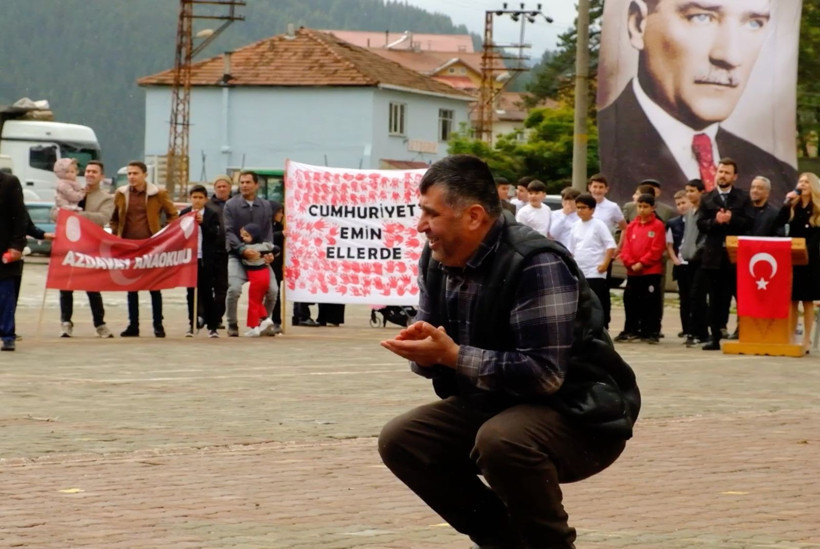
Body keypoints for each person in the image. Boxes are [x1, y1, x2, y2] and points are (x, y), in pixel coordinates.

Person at [378, 154, 639, 549]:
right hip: (498, 403)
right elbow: (438, 356)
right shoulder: (437, 257)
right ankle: (505, 541)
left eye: (430, 214)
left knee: (502, 440)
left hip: (582, 413)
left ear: (473, 216)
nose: (420, 226)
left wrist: (452, 356)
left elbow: (545, 375)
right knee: (404, 440)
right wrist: (423, 351)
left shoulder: (535, 262)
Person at [598, 0, 797, 202]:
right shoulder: (607, 147)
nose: (730, 56)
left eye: (754, 23)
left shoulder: (769, 167)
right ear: (638, 24)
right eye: (701, 18)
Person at [110, 161, 178, 338]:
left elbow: (173, 214)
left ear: (145, 175)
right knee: (131, 287)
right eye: (129, 174)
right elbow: (114, 218)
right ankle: (133, 324)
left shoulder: (158, 193)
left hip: (152, 247)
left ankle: (158, 324)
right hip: (129, 247)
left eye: (135, 173)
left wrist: (165, 234)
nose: (132, 177)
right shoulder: (121, 194)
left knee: (154, 286)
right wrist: (117, 236)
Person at [696, 158, 753, 350]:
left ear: (734, 176)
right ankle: (715, 336)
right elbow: (700, 224)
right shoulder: (707, 198)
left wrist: (732, 219)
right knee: (715, 299)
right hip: (713, 257)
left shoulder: (743, 198)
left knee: (741, 297)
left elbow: (749, 222)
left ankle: (746, 333)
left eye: (727, 172)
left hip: (737, 257)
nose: (723, 175)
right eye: (720, 171)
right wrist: (716, 221)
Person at [58, 160, 115, 338]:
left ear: (101, 176)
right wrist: (64, 214)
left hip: (90, 247)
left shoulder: (106, 198)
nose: (90, 174)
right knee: (65, 285)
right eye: (88, 171)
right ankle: (66, 322)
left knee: (93, 286)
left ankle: (100, 323)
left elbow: (103, 217)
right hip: (68, 245)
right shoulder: (71, 190)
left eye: (94, 172)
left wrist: (78, 216)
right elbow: (54, 211)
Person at [223, 171, 278, 337]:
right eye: (242, 182)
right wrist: (242, 249)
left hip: (259, 257)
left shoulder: (265, 206)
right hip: (237, 255)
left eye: (248, 182)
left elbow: (268, 232)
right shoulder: (231, 205)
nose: (244, 185)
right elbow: (229, 231)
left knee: (273, 290)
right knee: (234, 289)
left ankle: (263, 323)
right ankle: (232, 323)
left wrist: (269, 252)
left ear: (256, 185)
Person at [773, 173, 820, 354]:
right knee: (792, 300)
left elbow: (816, 236)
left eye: (806, 182)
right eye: (800, 182)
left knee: (807, 301)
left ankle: (807, 339)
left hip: (810, 259)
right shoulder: (793, 206)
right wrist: (786, 203)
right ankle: (791, 336)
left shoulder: (817, 209)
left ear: (813, 185)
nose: (803, 185)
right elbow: (778, 223)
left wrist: (805, 249)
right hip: (791, 258)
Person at [618, 193, 667, 343]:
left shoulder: (658, 226)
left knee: (650, 302)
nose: (642, 210)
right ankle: (631, 329)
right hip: (633, 272)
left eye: (646, 206)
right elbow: (625, 248)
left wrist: (642, 263)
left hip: (650, 272)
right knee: (631, 301)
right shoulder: (632, 225)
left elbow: (657, 249)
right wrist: (631, 262)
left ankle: (651, 331)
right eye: (639, 206)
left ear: (653, 208)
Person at [569, 193, 617, 330]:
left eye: (583, 208)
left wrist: (605, 264)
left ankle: (603, 326)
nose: (580, 211)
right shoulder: (575, 225)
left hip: (596, 270)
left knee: (598, 300)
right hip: (581, 270)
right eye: (578, 208)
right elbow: (571, 249)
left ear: (592, 209)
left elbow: (610, 245)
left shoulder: (598, 225)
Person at [181, 185, 222, 338]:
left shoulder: (212, 214)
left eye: (200, 198)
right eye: (194, 197)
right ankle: (192, 324)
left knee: (207, 292)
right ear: (190, 198)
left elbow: (214, 235)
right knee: (191, 293)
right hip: (190, 259)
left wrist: (203, 223)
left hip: (205, 259)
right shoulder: (185, 213)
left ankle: (212, 326)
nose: (197, 201)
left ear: (205, 199)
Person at [681, 179, 711, 346]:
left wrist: (699, 249)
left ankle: (701, 332)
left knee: (698, 296)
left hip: (701, 258)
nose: (689, 194)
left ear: (701, 192)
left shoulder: (704, 212)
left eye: (692, 191)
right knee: (690, 297)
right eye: (687, 191)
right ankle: (694, 330)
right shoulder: (689, 212)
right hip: (689, 259)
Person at [0, 171, 27, 351]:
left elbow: (20, 217)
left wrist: (17, 246)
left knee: (5, 296)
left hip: (4, 251)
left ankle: (7, 335)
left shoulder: (9, 182)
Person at [238, 223, 276, 337]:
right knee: (257, 301)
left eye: (246, 235)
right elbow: (276, 248)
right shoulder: (265, 245)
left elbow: (238, 250)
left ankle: (255, 326)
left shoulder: (248, 248)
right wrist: (271, 255)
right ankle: (263, 319)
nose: (243, 238)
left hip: (256, 276)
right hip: (265, 274)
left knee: (253, 302)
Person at [666, 190, 692, 338]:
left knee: (695, 297)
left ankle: (696, 326)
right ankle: (686, 327)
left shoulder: (697, 220)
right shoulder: (673, 223)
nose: (681, 206)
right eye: (678, 204)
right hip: (680, 263)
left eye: (684, 203)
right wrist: (674, 259)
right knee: (684, 297)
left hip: (693, 263)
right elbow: (669, 244)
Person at [208, 175, 232, 328]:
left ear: (229, 188)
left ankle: (217, 317)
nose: (222, 189)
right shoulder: (208, 205)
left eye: (225, 186)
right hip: (210, 251)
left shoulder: (235, 204)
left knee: (223, 288)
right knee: (206, 286)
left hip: (228, 252)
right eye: (219, 186)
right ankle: (206, 315)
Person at [268, 201, 285, 334]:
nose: (281, 215)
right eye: (278, 212)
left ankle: (276, 320)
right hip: (266, 264)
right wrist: (281, 234)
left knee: (276, 293)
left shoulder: (280, 226)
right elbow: (267, 240)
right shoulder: (266, 226)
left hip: (277, 265)